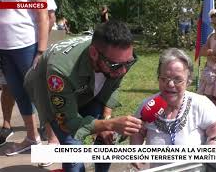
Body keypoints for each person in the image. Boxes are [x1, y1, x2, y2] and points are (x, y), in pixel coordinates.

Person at [24, 21, 142, 172]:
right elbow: (68, 122)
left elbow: (112, 87)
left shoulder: (117, 59)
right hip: (47, 89)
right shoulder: (60, 71)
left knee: (107, 138)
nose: (123, 71)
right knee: (73, 152)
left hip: (84, 86)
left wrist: (106, 121)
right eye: (116, 65)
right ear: (93, 54)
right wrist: (109, 124)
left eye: (129, 63)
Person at [130, 48, 216, 169]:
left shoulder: (200, 104)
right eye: (164, 78)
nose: (170, 84)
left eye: (177, 80)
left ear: (188, 81)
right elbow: (137, 130)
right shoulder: (149, 105)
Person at [0, 0, 58, 156]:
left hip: (27, 45)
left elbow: (44, 14)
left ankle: (53, 141)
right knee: (19, 93)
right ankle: (32, 138)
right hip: (4, 48)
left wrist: (41, 51)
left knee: (38, 93)